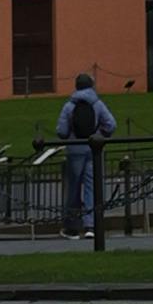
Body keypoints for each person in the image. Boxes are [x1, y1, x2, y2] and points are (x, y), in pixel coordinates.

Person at [56, 67, 115, 235]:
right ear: (91, 86)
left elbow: (61, 131)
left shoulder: (69, 106)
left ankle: (72, 227)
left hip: (75, 150)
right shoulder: (97, 104)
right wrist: (100, 135)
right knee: (92, 186)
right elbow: (111, 124)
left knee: (73, 188)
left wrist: (70, 137)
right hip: (93, 148)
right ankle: (91, 226)